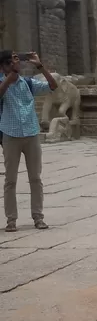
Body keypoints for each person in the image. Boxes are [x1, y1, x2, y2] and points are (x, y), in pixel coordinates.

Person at [1, 51, 58, 233]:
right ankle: (11, 220)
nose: (18, 62)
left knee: (35, 178)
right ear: (5, 65)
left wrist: (39, 66)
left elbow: (52, 85)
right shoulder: (3, 83)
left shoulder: (28, 83)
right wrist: (8, 79)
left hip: (31, 134)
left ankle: (38, 217)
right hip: (10, 135)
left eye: (18, 59)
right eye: (14, 59)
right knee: (10, 180)